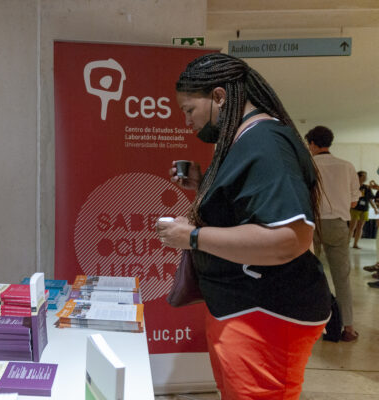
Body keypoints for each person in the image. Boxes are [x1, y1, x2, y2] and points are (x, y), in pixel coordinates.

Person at [156, 53, 331, 399]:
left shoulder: (264, 142)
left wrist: (192, 237)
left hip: (266, 312)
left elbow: (287, 239)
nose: (186, 121)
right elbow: (249, 211)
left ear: (219, 97)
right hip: (245, 307)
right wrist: (205, 183)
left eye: (189, 110)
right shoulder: (246, 139)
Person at [305, 126, 360, 341]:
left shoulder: (307, 165)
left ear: (312, 144)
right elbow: (354, 201)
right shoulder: (347, 167)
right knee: (342, 278)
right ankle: (348, 328)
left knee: (310, 276)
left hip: (311, 224)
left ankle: (312, 324)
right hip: (337, 224)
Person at [349, 171, 378, 249]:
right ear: (359, 176)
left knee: (360, 227)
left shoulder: (367, 187)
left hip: (365, 209)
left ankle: (355, 244)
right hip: (355, 208)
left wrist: (375, 208)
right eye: (364, 176)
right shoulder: (353, 186)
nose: (366, 178)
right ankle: (347, 243)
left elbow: (370, 199)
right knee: (352, 227)